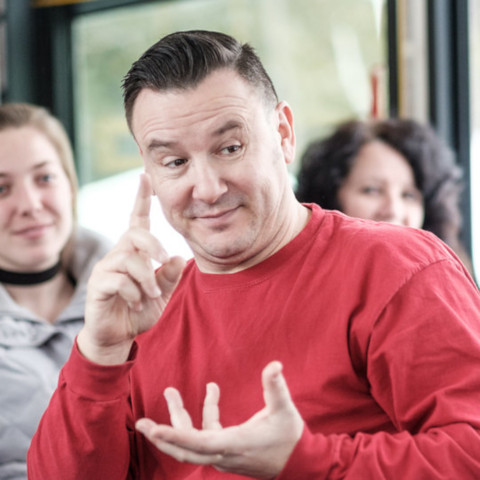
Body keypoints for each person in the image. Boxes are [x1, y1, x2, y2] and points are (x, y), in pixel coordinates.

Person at [27, 30, 480, 479]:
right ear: (148, 170)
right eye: (174, 162)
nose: (206, 188)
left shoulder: (396, 269)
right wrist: (100, 353)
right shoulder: (140, 312)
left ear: (283, 134)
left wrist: (308, 460)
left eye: (230, 148)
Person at [0, 103, 111, 480]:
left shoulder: (139, 296)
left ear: (70, 185)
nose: (30, 205)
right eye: (1, 189)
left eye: (45, 178)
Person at [295, 118, 474, 273]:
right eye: (372, 190)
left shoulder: (449, 280)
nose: (393, 210)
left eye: (408, 195)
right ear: (330, 196)